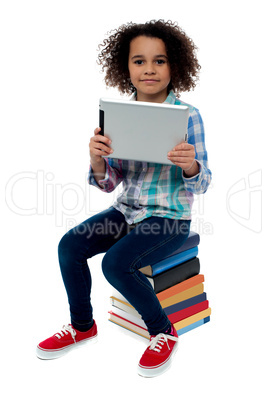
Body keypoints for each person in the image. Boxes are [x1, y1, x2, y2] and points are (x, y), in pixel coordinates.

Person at [36, 19, 212, 377]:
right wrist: (98, 161)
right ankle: (82, 326)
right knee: (69, 246)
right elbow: (111, 183)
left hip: (169, 217)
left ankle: (163, 331)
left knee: (115, 265)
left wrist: (190, 165)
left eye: (159, 60)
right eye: (139, 61)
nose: (149, 69)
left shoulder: (189, 116)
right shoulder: (117, 115)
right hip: (127, 210)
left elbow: (204, 182)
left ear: (174, 65)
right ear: (125, 67)